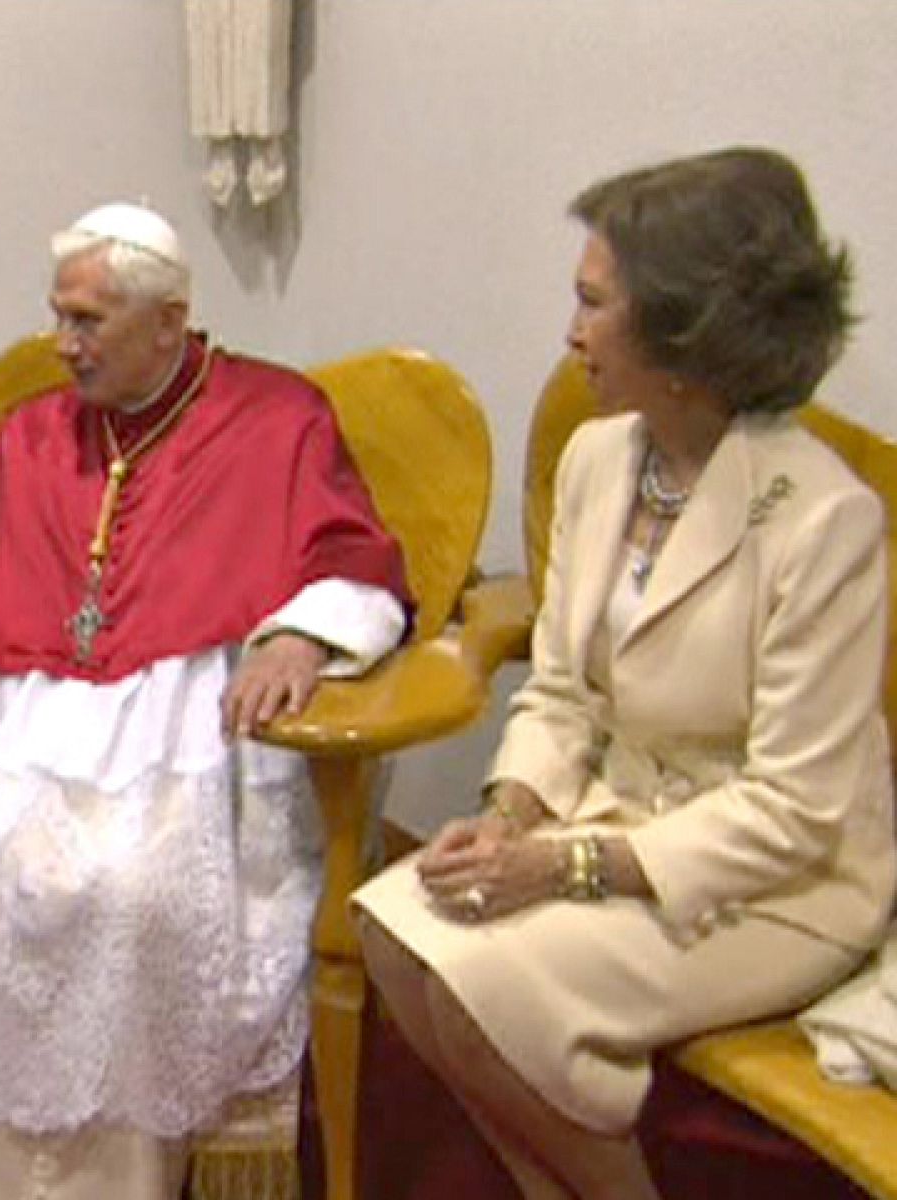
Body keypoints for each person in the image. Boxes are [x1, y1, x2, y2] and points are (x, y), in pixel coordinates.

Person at [0, 201, 411, 1199]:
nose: (60, 344)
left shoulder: (277, 417)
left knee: (132, 891)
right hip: (43, 719)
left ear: (169, 320)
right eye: (57, 316)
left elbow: (348, 547)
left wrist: (297, 632)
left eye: (87, 322)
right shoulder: (36, 432)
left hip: (198, 721)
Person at [353, 146, 896, 1200]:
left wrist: (563, 869)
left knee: (482, 989)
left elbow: (794, 808)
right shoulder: (601, 459)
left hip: (781, 882)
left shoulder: (825, 519)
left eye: (594, 303)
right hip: (607, 821)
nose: (571, 333)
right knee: (391, 931)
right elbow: (558, 689)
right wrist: (509, 813)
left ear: (685, 333)